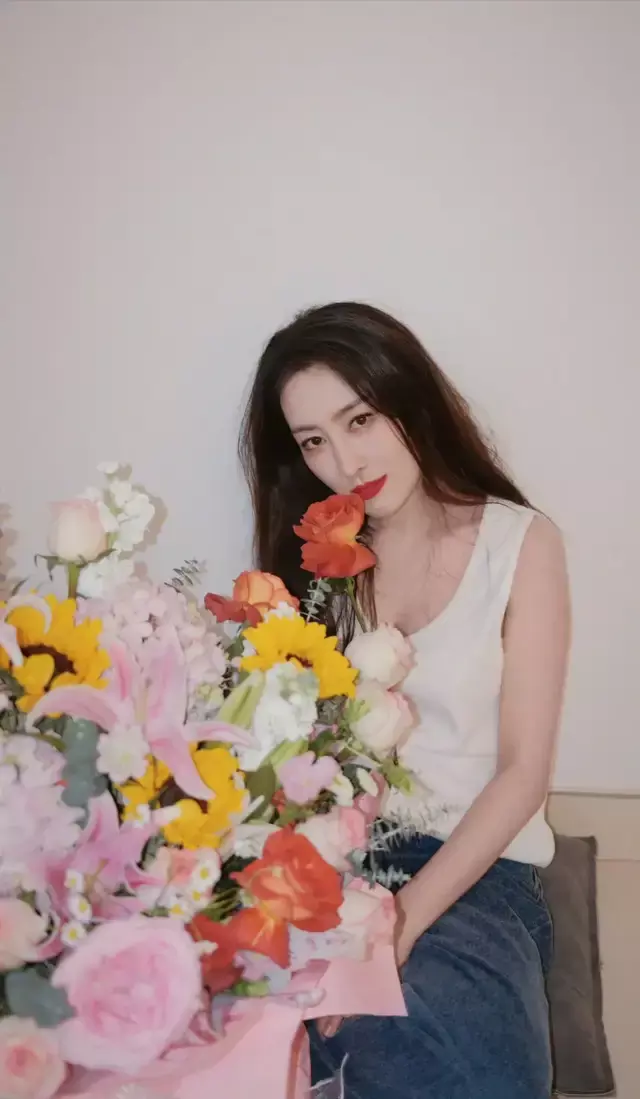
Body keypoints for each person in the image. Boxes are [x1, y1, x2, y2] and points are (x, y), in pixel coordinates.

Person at [239, 301, 571, 1099]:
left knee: (463, 1067)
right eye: (314, 441)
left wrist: (403, 920)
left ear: (410, 397)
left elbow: (523, 773)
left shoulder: (519, 544)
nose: (345, 461)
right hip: (332, 861)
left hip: (476, 876)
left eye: (359, 419)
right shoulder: (316, 561)